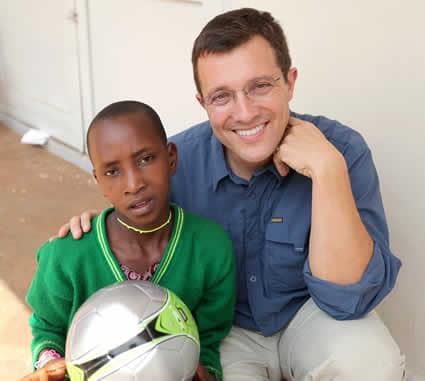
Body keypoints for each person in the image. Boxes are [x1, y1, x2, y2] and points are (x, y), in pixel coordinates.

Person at [56, 8, 405, 381]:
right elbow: (132, 219)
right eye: (221, 96)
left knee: (371, 363)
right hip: (223, 330)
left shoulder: (341, 151)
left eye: (260, 86)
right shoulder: (175, 161)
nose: (245, 112)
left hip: (311, 313)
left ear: (290, 82)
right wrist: (96, 227)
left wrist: (326, 171)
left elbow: (348, 299)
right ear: (202, 103)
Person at [21, 101, 236, 381]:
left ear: (171, 157)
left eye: (146, 159)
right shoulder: (66, 256)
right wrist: (50, 363)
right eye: (112, 171)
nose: (134, 184)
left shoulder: (211, 248)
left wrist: (203, 372)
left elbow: (208, 339)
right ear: (98, 181)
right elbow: (46, 328)